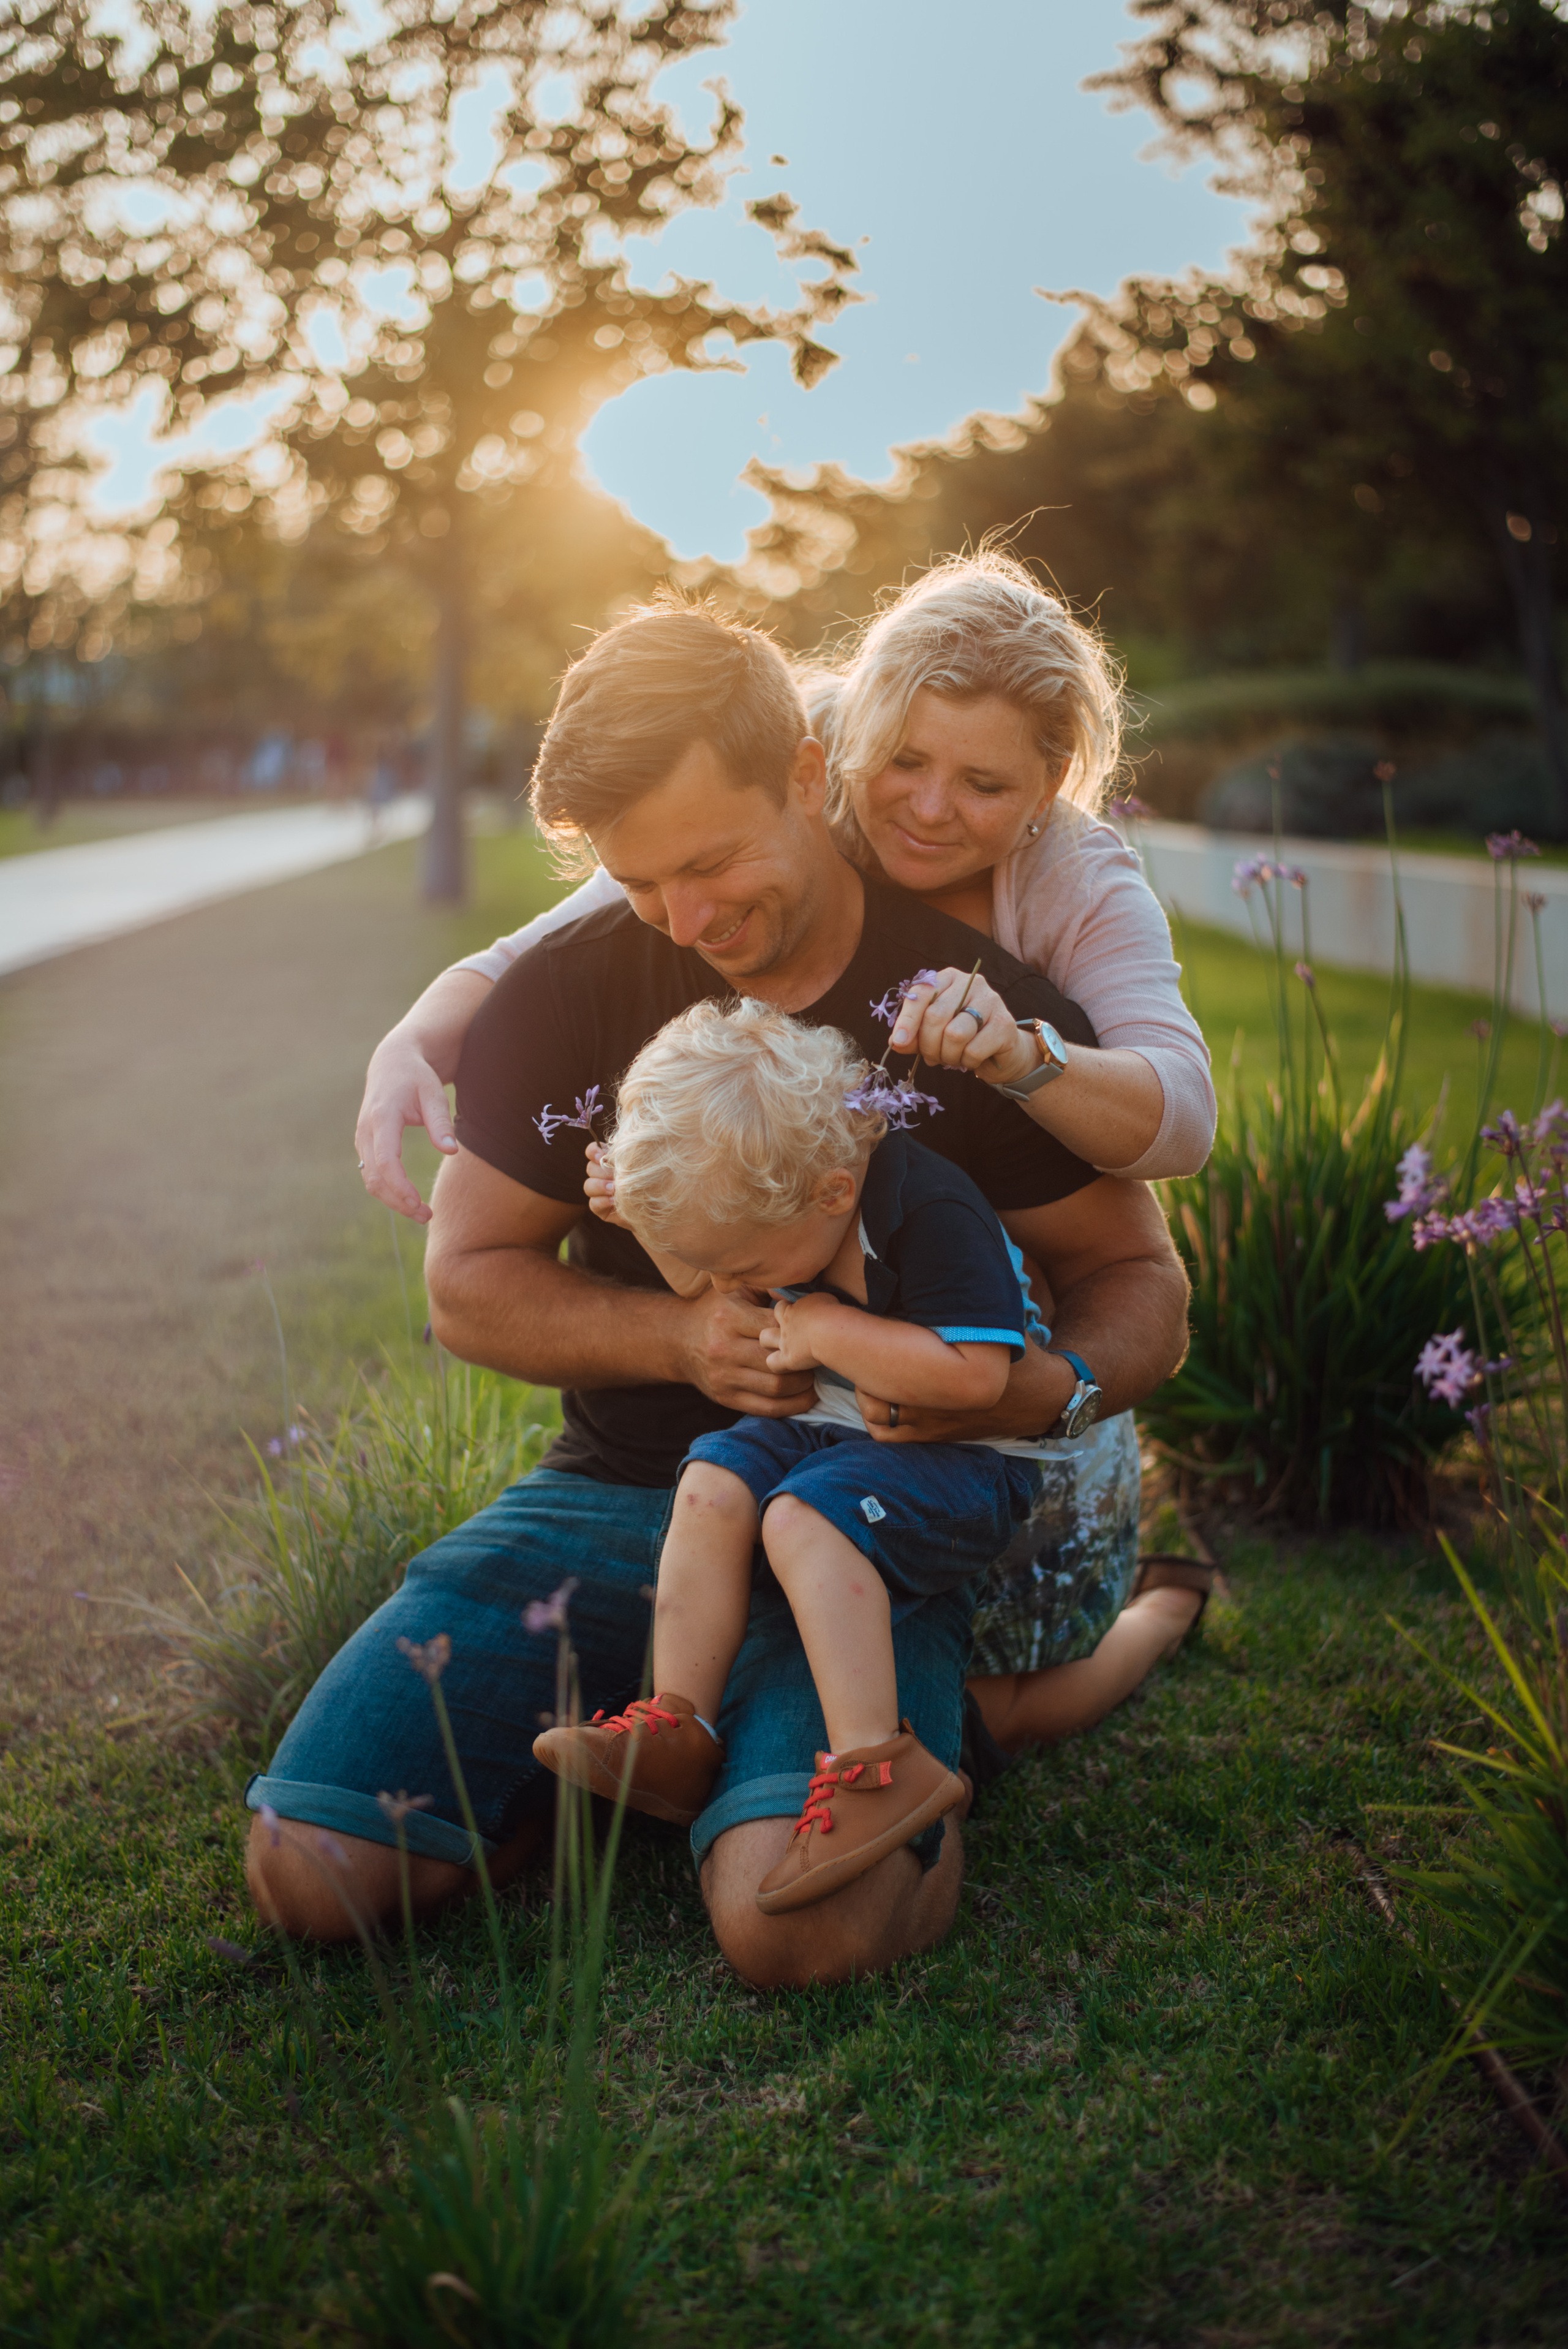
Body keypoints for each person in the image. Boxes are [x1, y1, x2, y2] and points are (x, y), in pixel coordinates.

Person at [247, 600, 1191, 1984]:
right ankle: (645, 1751)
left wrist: (1045, 1391)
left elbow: (1140, 1280)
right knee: (312, 1873)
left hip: (861, 1522)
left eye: (711, 862)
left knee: (791, 1929)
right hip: (621, 1492)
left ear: (809, 775)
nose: (686, 921)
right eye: (638, 885)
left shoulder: (964, 1014)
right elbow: (467, 1287)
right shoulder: (560, 991)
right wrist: (682, 1335)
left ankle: (889, 1734)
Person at [535, 996, 1063, 1912]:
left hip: (967, 1451)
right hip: (838, 1422)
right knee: (709, 1480)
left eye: (747, 1266)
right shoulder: (788, 1192)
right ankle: (682, 1724)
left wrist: (826, 1325)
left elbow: (979, 1376)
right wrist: (653, 1222)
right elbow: (704, 1270)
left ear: (832, 1190)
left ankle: (876, 1767)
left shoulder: (927, 1210)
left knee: (803, 1517)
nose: (736, 1291)